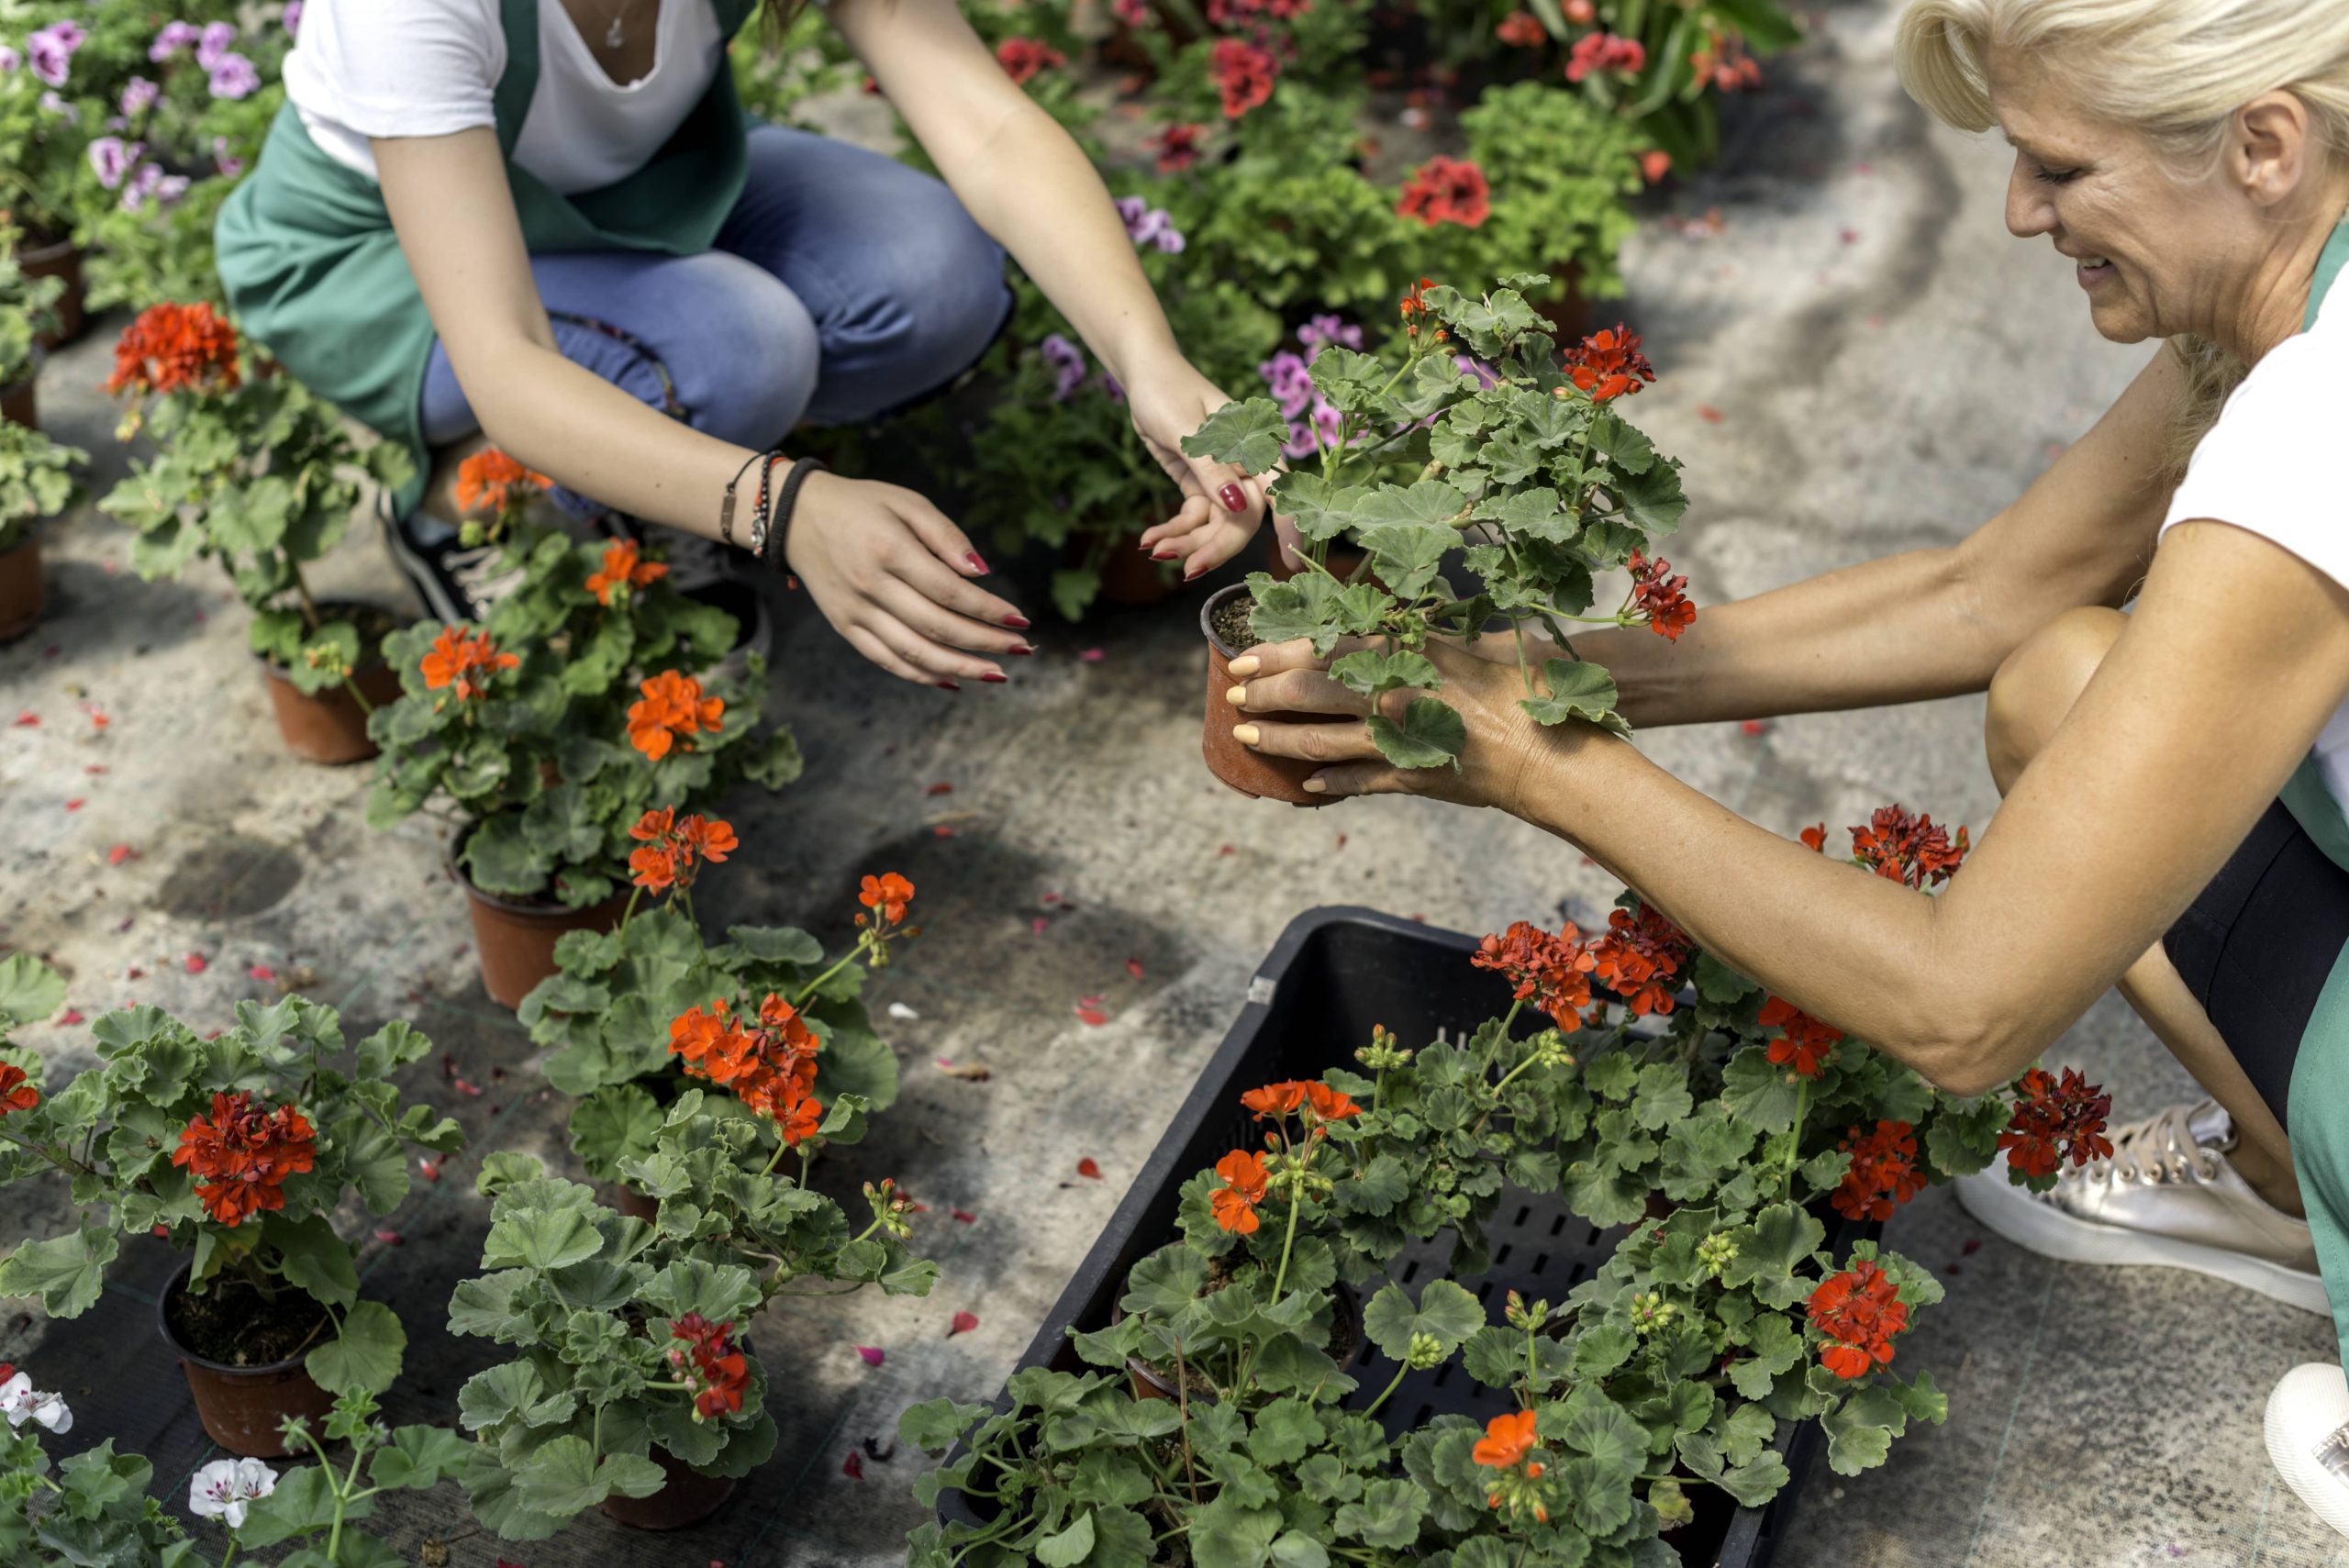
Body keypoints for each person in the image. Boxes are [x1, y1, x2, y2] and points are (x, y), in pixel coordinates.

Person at [1219, 0, 2349, 1534]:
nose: (2022, 213)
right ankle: (2295, 1191)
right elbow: (1990, 592)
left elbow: (1963, 1003)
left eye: (2060, 170)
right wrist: (1543, 677)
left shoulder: (2318, 428)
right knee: (2063, 682)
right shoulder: (2283, 270)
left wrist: (1531, 759)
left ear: (2264, 143)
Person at [215, 0, 1266, 683]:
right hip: (380, 255)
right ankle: (470, 498)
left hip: (634, 194)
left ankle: (667, 446)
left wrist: (1150, 362)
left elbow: (985, 125)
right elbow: (506, 360)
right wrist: (782, 506)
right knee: (738, 350)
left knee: (929, 272)